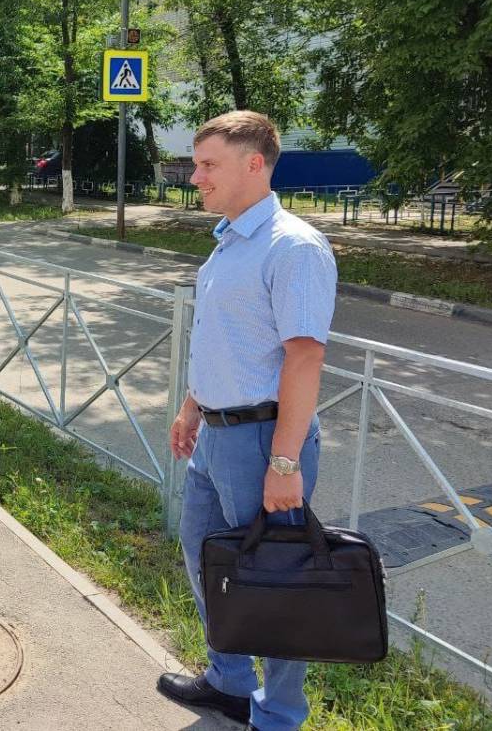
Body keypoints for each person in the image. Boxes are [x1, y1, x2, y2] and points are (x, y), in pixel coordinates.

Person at [158, 111, 337, 731]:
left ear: (254, 164)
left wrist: (284, 460)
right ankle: (230, 682)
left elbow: (304, 356)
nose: (195, 177)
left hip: (264, 440)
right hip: (215, 435)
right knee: (205, 556)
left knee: (275, 581)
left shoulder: (294, 246)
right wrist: (192, 408)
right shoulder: (230, 242)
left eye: (208, 164)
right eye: (196, 165)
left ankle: (279, 715)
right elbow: (223, 340)